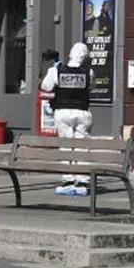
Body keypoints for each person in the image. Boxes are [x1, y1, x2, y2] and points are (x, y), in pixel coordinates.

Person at [40, 42, 94, 197]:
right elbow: (91, 88)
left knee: (66, 146)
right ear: (84, 57)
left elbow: (46, 86)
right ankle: (83, 179)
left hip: (63, 112)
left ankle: (68, 179)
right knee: (82, 146)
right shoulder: (88, 72)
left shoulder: (57, 70)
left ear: (70, 54)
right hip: (82, 113)